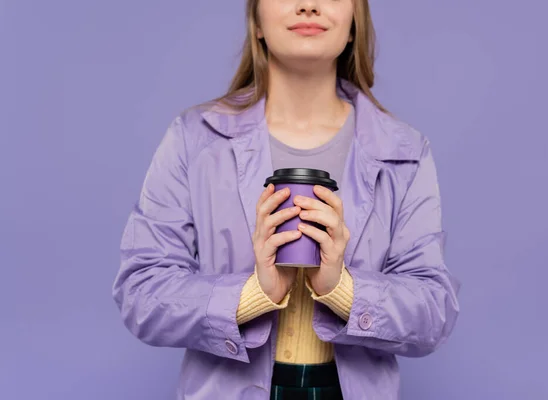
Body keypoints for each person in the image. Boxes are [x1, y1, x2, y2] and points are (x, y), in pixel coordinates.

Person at [112, 0, 460, 399]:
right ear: (256, 21)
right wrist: (253, 294)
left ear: (354, 24)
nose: (309, 6)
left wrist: (342, 288)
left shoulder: (405, 151)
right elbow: (141, 292)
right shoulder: (194, 140)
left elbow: (434, 313)